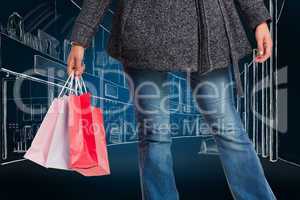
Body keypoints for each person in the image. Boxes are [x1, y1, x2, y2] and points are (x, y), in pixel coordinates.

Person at [67, 0, 275, 199]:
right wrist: (80, 41)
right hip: (143, 34)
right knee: (155, 135)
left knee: (228, 129)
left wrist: (258, 20)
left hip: (207, 33)